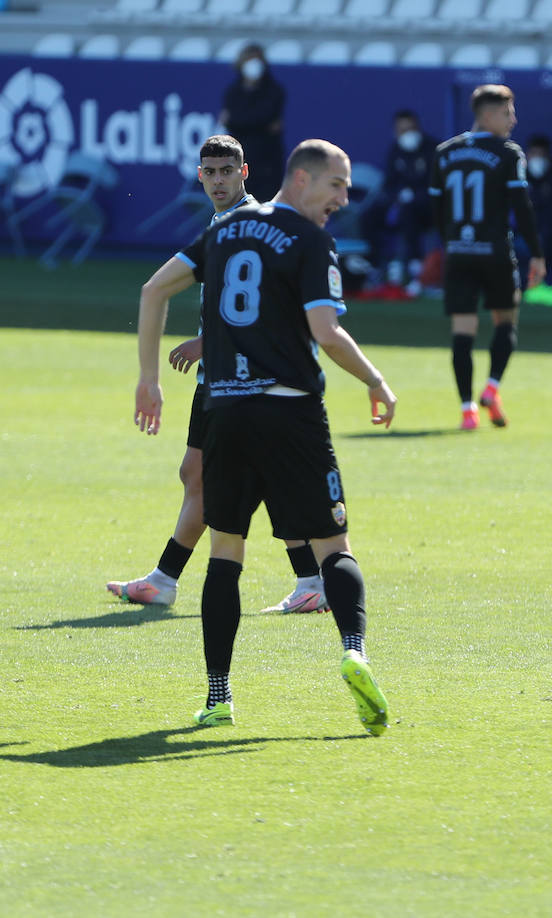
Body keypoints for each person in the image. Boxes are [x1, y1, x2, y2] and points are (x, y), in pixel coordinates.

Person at [134, 139, 397, 734]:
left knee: (226, 549)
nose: (345, 198)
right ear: (302, 180)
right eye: (337, 185)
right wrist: (376, 380)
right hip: (291, 412)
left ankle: (218, 696)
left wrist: (148, 381)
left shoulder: (224, 231)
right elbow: (326, 333)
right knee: (333, 544)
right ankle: (354, 650)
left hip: (226, 411)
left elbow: (153, 291)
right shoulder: (309, 241)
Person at [111, 134, 328, 615]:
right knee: (196, 474)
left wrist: (202, 342)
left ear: (244, 172)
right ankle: (166, 579)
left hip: (245, 379)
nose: (217, 181)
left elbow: (267, 309)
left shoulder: (249, 225)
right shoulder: (220, 223)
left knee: (251, 479)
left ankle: (310, 578)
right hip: (218, 377)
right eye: (209, 172)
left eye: (226, 171)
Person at [429, 84, 546, 432]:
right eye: (508, 112)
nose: (514, 120)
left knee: (462, 332)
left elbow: (437, 209)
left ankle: (467, 411)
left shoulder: (444, 153)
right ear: (488, 114)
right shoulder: (508, 154)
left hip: (459, 254)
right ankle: (492, 388)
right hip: (495, 253)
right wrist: (537, 254)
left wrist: (451, 242)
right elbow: (522, 209)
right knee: (506, 322)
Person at [362, 109, 437, 295]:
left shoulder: (432, 149)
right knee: (369, 216)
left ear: (418, 128)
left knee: (409, 212)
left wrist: (416, 195)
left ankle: (415, 268)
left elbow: (437, 184)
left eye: (410, 128)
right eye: (402, 130)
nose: (406, 134)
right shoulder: (395, 150)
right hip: (400, 204)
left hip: (429, 208)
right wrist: (396, 196)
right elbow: (390, 183)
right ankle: (375, 266)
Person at [219, 43, 286, 203]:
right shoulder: (233, 91)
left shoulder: (274, 90)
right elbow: (260, 121)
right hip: (239, 160)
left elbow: (264, 116)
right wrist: (260, 124)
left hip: (267, 164)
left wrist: (237, 121)